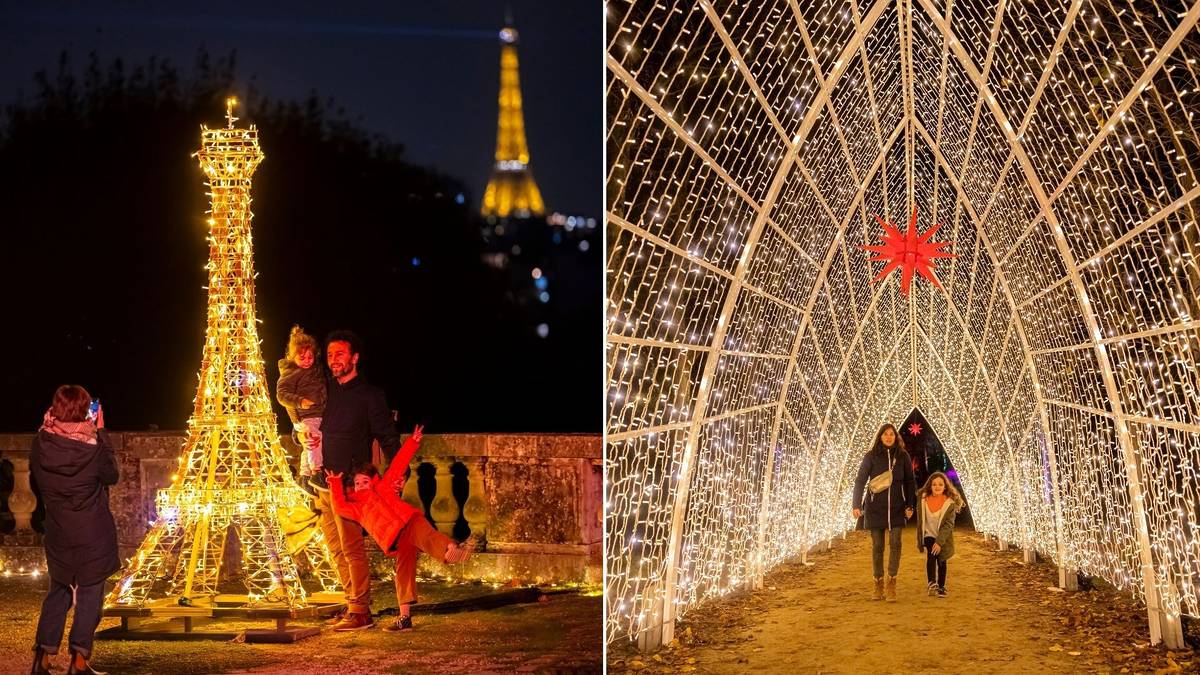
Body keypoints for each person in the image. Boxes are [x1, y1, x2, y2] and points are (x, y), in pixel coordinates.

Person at [325, 425, 474, 632]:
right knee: (403, 575)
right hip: (397, 540)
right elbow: (339, 506)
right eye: (357, 483)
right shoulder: (356, 508)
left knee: (430, 537)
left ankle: (451, 550)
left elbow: (398, 464)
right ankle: (405, 619)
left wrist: (413, 441)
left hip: (410, 524)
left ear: (373, 480)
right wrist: (334, 484)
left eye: (365, 481)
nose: (361, 485)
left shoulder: (384, 487)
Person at [314, 330, 404, 631]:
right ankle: (351, 601)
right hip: (326, 484)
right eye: (329, 355)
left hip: (352, 486)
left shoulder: (369, 396)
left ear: (355, 358)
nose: (333, 360)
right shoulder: (329, 392)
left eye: (340, 354)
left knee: (352, 549)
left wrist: (399, 473)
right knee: (336, 549)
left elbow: (388, 439)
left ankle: (361, 611)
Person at [29, 385, 118, 675]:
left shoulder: (41, 442)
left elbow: (35, 481)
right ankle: (78, 661)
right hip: (92, 532)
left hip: (58, 531)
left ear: (55, 408)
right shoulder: (93, 446)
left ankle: (41, 657)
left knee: (59, 591)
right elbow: (111, 475)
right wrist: (101, 430)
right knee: (90, 595)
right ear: (85, 411)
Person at [851, 423, 916, 601]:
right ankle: (878, 583)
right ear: (880, 436)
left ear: (896, 437)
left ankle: (891, 582)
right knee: (877, 547)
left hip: (896, 507)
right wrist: (856, 504)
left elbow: (910, 482)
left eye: (892, 434)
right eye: (885, 434)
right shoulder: (871, 456)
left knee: (896, 544)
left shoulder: (903, 457)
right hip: (875, 508)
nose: (889, 437)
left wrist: (910, 505)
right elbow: (860, 481)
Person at [276, 325, 327, 483]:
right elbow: (281, 394)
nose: (306, 361)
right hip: (308, 414)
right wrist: (300, 402)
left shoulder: (315, 370)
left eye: (310, 357)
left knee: (308, 446)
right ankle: (316, 471)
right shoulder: (292, 373)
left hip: (315, 414)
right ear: (292, 357)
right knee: (314, 440)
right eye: (302, 358)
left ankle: (305, 476)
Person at [915, 471, 964, 598]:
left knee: (942, 560)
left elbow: (948, 525)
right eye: (934, 484)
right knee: (931, 555)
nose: (937, 487)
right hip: (929, 534)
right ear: (930, 486)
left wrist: (940, 542)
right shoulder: (923, 500)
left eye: (940, 485)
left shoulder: (949, 504)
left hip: (943, 537)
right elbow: (920, 520)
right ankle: (932, 583)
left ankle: (941, 586)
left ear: (945, 487)